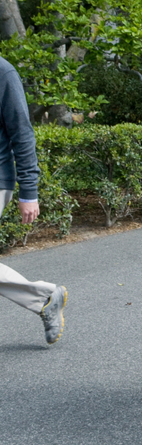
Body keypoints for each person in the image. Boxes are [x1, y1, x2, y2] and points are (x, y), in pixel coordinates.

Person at [0, 56, 67, 345]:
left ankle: (43, 297)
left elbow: (22, 132)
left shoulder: (3, 72)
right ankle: (44, 297)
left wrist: (29, 191)